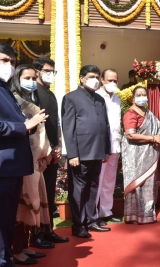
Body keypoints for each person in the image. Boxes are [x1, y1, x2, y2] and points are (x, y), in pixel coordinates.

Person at [0, 44, 47, 267]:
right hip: (3, 165)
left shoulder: (6, 90)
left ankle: (7, 256)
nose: (8, 65)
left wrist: (31, 125)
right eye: (3, 60)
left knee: (9, 217)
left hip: (15, 165)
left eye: (12, 61)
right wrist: (25, 125)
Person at [61, 65, 112, 238]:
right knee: (79, 190)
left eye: (97, 77)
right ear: (82, 78)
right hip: (80, 153)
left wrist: (106, 149)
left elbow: (105, 125)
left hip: (98, 152)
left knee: (93, 187)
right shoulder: (71, 98)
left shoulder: (100, 99)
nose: (95, 80)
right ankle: (79, 224)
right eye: (91, 76)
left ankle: (92, 220)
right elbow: (68, 128)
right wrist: (72, 154)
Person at [10, 64, 53, 265]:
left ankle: (25, 246)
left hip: (36, 162)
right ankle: (16, 250)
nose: (31, 81)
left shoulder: (29, 101)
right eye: (26, 77)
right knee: (23, 207)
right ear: (17, 79)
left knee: (33, 204)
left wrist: (45, 154)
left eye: (33, 78)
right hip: (24, 160)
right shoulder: (14, 102)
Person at [31, 57, 69, 246]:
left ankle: (48, 230)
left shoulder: (50, 94)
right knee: (37, 194)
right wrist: (45, 150)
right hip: (40, 152)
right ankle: (36, 234)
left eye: (53, 72)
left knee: (49, 194)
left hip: (53, 151)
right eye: (47, 71)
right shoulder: (33, 92)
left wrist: (59, 146)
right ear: (36, 71)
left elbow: (57, 123)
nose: (50, 75)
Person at [122, 85, 160, 224]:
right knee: (137, 183)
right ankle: (135, 215)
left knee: (149, 183)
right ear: (133, 98)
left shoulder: (148, 113)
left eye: (144, 94)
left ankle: (147, 213)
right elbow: (131, 135)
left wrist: (157, 137)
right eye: (138, 94)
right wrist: (152, 138)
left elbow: (158, 128)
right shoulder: (130, 114)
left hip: (149, 155)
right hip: (135, 156)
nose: (141, 97)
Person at [95, 69, 122, 224]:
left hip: (115, 145)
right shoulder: (97, 97)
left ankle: (106, 211)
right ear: (102, 80)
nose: (113, 83)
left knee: (110, 180)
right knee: (98, 181)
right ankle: (94, 215)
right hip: (101, 146)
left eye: (115, 80)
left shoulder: (117, 99)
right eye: (110, 80)